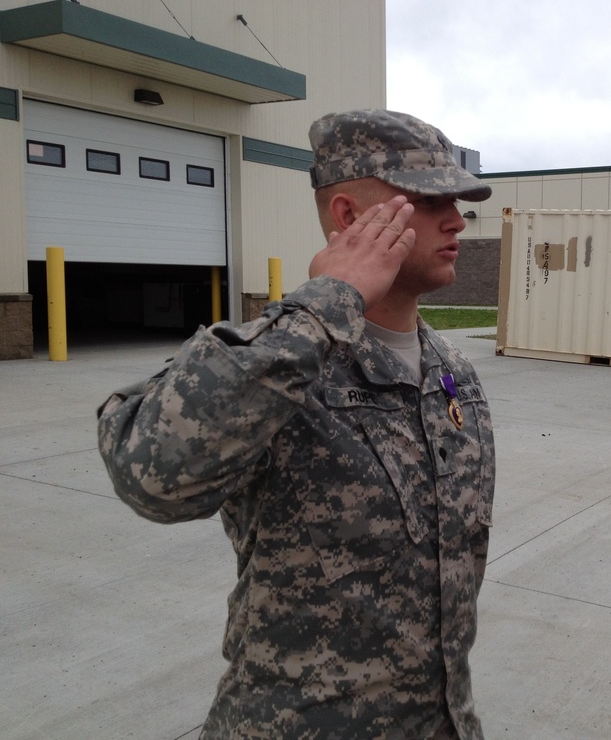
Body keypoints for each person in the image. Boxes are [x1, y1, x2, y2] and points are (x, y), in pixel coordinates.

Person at [97, 109, 496, 739]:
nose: (456, 218)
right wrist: (325, 306)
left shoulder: (454, 373)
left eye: (459, 199)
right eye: (429, 199)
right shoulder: (281, 363)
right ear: (347, 216)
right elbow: (154, 475)